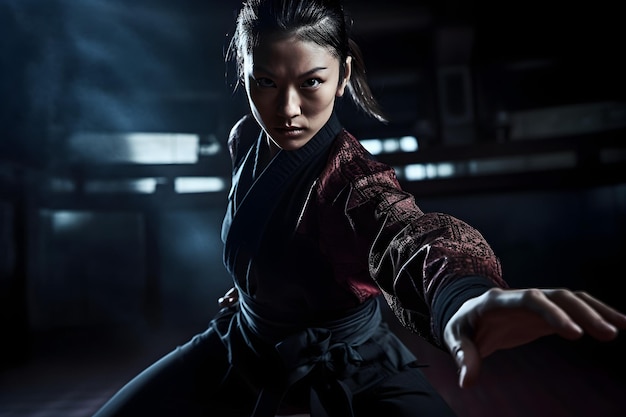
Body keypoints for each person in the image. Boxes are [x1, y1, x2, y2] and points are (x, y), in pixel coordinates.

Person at [93, 0, 626, 416]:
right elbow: (265, 232)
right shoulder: (243, 139)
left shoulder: (352, 179)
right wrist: (262, 283)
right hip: (246, 340)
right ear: (246, 72)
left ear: (343, 75)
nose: (288, 110)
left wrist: (463, 297)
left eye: (311, 83)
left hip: (351, 365)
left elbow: (408, 235)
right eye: (267, 83)